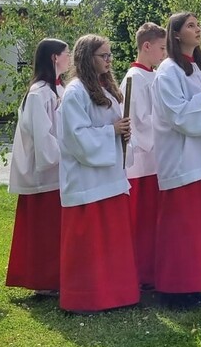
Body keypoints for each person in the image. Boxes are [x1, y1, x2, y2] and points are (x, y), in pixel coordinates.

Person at [57, 34, 139, 313]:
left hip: (110, 178)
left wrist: (123, 133)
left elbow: (114, 127)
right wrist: (112, 131)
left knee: (112, 244)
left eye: (109, 55)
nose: (109, 60)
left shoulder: (107, 91)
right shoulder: (75, 92)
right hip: (86, 182)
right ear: (87, 58)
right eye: (103, 55)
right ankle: (87, 297)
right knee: (90, 246)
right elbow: (76, 137)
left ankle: (117, 294)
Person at [153, 12, 201, 306]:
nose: (198, 29)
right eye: (191, 25)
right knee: (182, 229)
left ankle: (195, 284)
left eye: (199, 25)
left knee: (199, 229)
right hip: (181, 159)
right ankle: (175, 289)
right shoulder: (168, 71)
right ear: (175, 34)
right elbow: (178, 116)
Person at [6, 38, 70, 295]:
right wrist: (64, 153)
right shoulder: (38, 93)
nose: (69, 58)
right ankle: (44, 280)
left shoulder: (60, 89)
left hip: (59, 168)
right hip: (44, 172)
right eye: (66, 53)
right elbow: (42, 136)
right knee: (44, 230)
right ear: (54, 57)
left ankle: (58, 276)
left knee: (56, 228)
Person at [120, 22, 167, 289]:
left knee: (153, 220)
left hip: (156, 160)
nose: (164, 54)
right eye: (161, 48)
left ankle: (151, 270)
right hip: (142, 160)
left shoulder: (154, 75)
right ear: (146, 46)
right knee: (141, 220)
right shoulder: (134, 78)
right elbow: (140, 120)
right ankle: (140, 273)